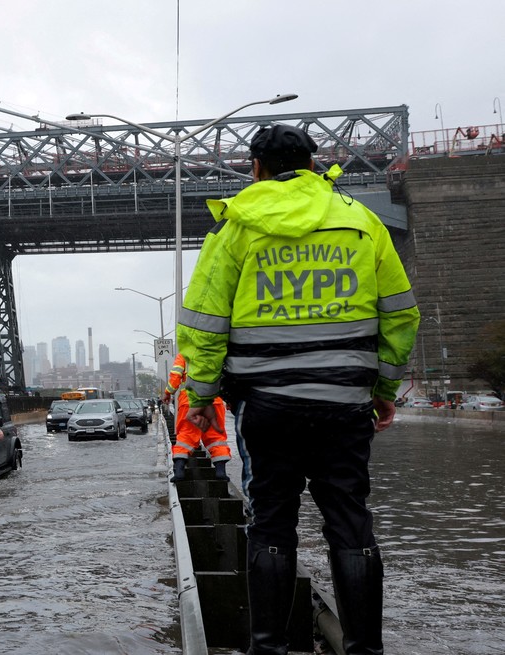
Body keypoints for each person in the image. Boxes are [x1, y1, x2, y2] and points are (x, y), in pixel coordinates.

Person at [176, 123, 419, 655]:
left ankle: (268, 649)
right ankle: (365, 650)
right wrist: (384, 388)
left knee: (271, 524)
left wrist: (198, 398)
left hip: (267, 408)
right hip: (343, 405)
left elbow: (204, 326)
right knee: (351, 524)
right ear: (314, 164)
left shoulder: (237, 227)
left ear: (255, 168)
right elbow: (400, 315)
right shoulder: (361, 222)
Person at [162, 352, 230, 482]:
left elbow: (175, 377)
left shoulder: (184, 355)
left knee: (186, 435)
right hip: (213, 400)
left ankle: (180, 471)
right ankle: (221, 472)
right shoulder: (217, 352)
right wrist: (230, 399)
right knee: (216, 437)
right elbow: (228, 376)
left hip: (190, 401)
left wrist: (168, 393)